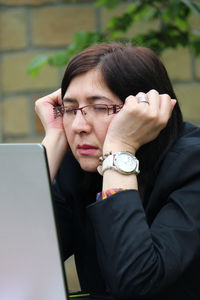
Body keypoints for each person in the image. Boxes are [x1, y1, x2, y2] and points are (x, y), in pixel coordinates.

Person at [35, 43, 200, 300]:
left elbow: (136, 281)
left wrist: (120, 151)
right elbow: (12, 260)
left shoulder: (193, 164)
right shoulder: (78, 165)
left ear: (146, 111)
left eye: (99, 108)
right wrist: (53, 142)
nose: (78, 126)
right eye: (69, 109)